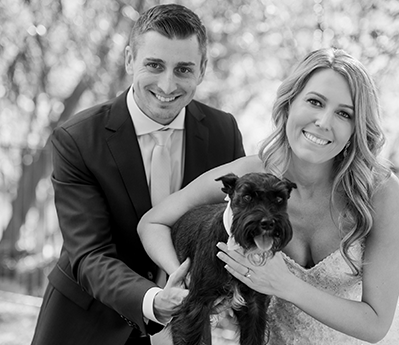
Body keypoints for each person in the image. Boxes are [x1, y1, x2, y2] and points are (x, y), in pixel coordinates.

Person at [138, 48, 399, 344]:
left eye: (344, 113)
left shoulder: (379, 191)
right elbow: (152, 223)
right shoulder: (250, 173)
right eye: (315, 101)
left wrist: (285, 284)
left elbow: (376, 323)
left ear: (355, 128)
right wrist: (182, 277)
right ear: (289, 103)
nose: (324, 122)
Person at [30, 4, 245, 345]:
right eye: (154, 65)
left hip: (187, 329)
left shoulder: (223, 132)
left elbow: (232, 223)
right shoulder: (77, 139)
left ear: (202, 70)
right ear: (130, 59)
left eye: (184, 69)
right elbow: (90, 253)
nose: (167, 84)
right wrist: (153, 300)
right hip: (88, 324)